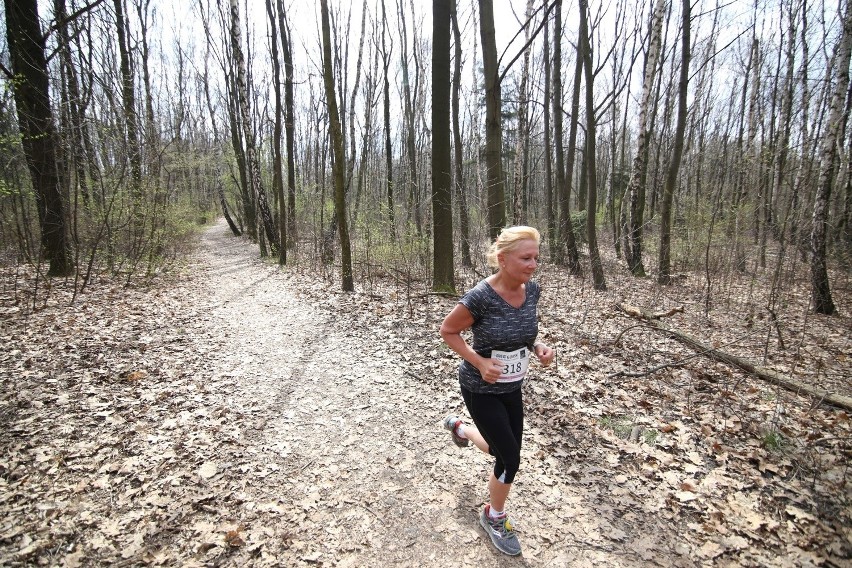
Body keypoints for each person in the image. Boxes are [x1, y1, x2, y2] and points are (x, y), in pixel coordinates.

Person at [439, 226, 554, 556]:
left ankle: (459, 428)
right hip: (480, 388)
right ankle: (494, 516)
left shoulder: (531, 292)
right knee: (509, 458)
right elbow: (448, 330)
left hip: (511, 387)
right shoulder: (481, 297)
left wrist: (539, 348)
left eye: (536, 258)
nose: (533, 265)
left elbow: (523, 334)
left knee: (496, 449)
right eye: (526, 258)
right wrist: (478, 362)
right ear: (503, 260)